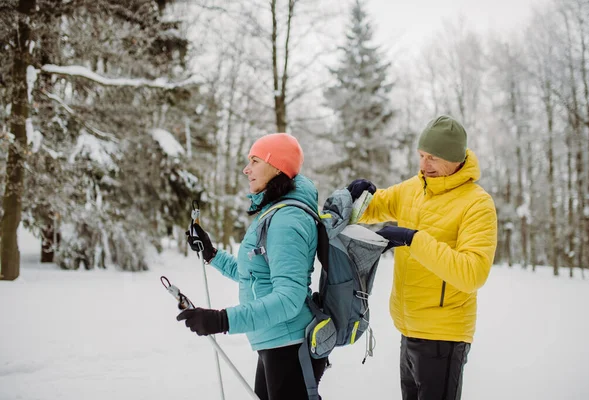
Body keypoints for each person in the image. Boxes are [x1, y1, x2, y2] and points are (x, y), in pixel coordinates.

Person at [348, 115, 497, 400]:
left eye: (433, 158)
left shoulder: (477, 204)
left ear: (455, 159)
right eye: (421, 155)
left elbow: (472, 273)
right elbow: (371, 208)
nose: (424, 165)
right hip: (409, 328)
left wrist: (413, 238)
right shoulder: (413, 189)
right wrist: (355, 196)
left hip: (444, 336)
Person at [178, 133, 328, 400]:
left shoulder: (287, 220)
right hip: (277, 342)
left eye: (255, 160)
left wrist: (222, 319)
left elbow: (289, 299)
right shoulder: (275, 212)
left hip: (290, 346)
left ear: (277, 166)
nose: (247, 169)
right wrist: (212, 254)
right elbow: (255, 275)